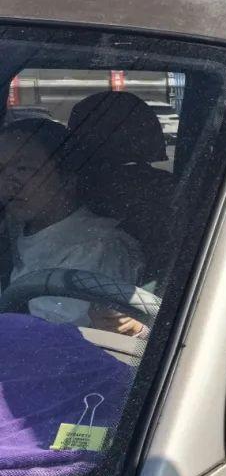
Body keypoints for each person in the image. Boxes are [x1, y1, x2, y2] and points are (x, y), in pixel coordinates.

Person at [0, 119, 144, 328]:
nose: (8, 182)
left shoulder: (100, 247)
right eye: (0, 170)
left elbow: (52, 335)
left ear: (67, 178)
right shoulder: (14, 227)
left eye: (23, 169)